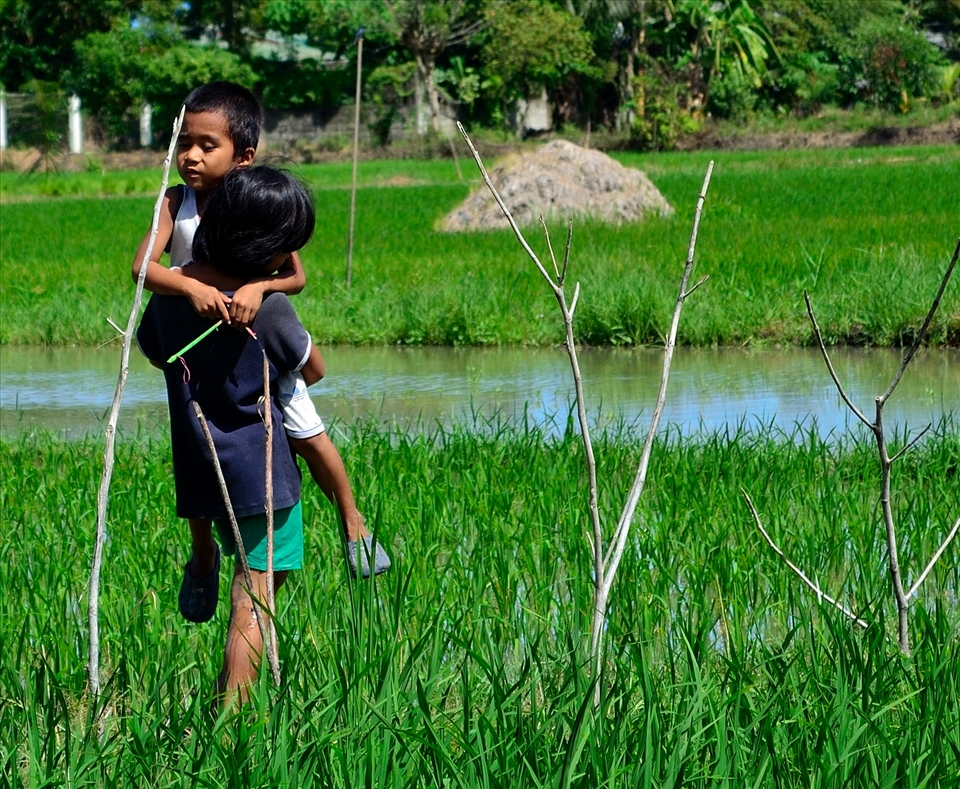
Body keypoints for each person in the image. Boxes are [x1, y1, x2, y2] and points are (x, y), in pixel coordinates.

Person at [131, 81, 389, 590]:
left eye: (208, 146)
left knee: (308, 434)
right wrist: (186, 288)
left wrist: (257, 285)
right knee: (197, 454)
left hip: (253, 341)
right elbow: (143, 269)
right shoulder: (175, 200)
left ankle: (352, 519)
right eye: (184, 143)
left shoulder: (255, 202)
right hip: (198, 345)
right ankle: (202, 556)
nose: (191, 157)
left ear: (244, 157)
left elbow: (295, 276)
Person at [136, 166, 325, 701]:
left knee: (249, 587)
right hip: (263, 480)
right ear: (274, 251)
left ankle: (224, 690)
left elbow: (154, 352)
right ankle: (233, 725)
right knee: (255, 598)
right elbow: (314, 371)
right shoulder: (270, 307)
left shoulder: (171, 303)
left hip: (204, 473)